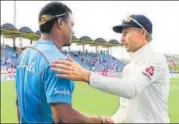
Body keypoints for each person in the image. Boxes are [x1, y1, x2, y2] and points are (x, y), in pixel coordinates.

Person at [51, 14, 170, 123]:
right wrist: (111, 120)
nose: (121, 39)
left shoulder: (156, 59)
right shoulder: (129, 68)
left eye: (126, 33)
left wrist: (88, 76)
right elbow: (125, 108)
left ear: (142, 33)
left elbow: (131, 89)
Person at [15, 2, 113, 123]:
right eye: (71, 25)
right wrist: (100, 121)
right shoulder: (58, 62)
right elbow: (64, 118)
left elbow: (18, 102)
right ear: (60, 23)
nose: (72, 30)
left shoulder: (25, 54)